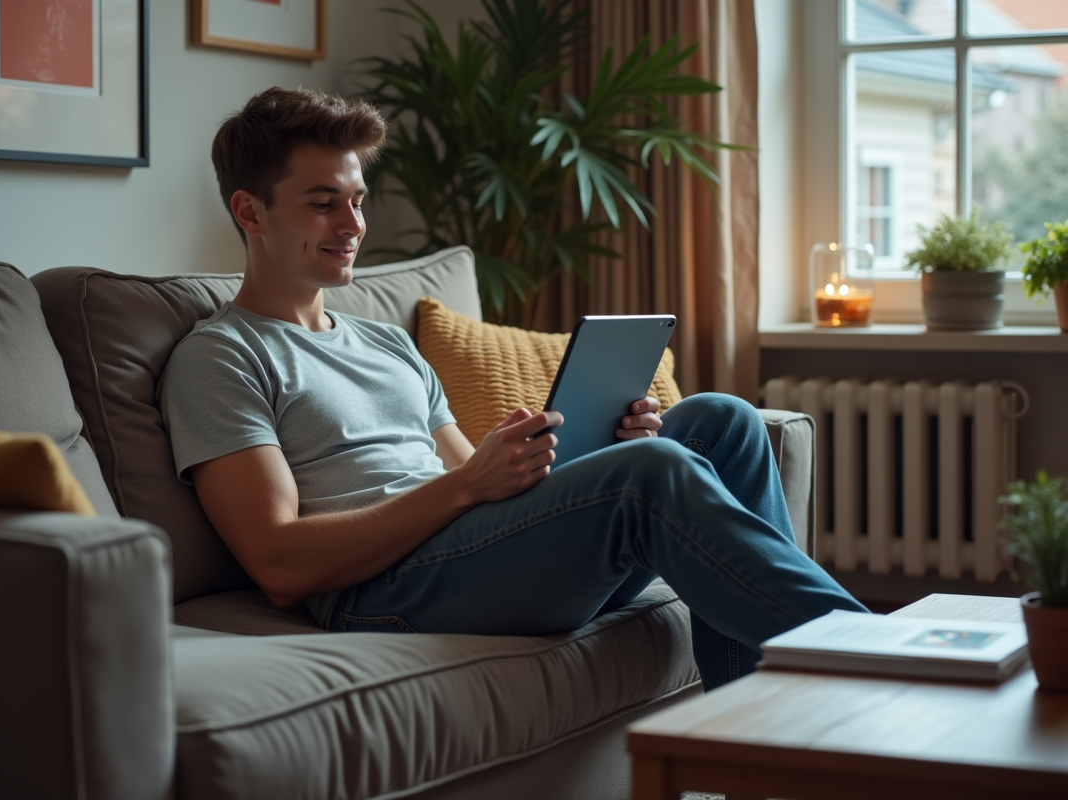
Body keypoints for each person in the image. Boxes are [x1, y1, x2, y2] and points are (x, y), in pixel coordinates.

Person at [157, 87, 868, 690]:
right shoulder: (220, 357)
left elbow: (469, 480)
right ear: (251, 212)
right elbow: (280, 563)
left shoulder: (383, 342)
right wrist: (471, 486)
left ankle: (762, 753)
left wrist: (582, 453)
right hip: (381, 591)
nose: (353, 226)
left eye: (358, 200)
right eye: (323, 204)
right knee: (649, 476)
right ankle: (881, 664)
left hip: (465, 552)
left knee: (720, 421)